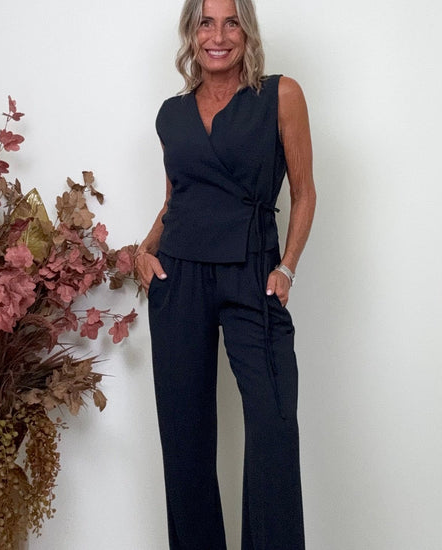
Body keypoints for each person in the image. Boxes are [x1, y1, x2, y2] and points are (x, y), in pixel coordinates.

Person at [135, 0, 316, 548]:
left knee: (273, 425)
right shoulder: (171, 114)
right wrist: (143, 251)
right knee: (184, 437)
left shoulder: (280, 95)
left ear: (247, 31)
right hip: (179, 276)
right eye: (205, 23)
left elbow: (304, 191)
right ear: (191, 35)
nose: (218, 35)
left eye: (231, 21)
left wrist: (286, 266)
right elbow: (177, 200)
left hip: (253, 272)